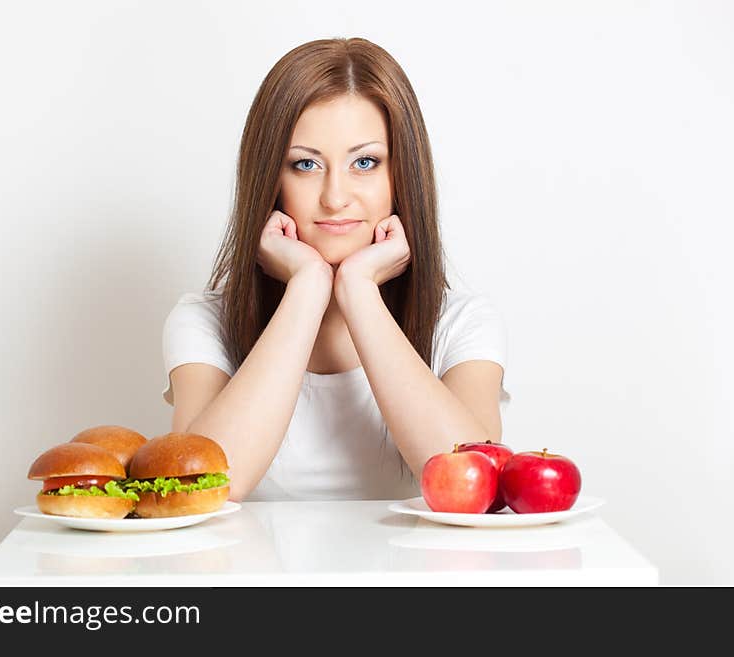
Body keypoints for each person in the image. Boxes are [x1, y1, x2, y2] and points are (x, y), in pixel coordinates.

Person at [161, 37, 510, 502]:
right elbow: (202, 488)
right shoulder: (203, 322)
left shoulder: (461, 323)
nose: (335, 196)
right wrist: (306, 288)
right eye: (305, 164)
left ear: (401, 175)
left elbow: (476, 489)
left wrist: (359, 292)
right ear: (270, 178)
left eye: (364, 162)